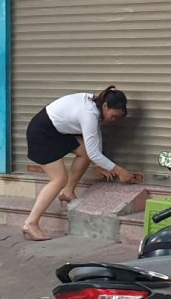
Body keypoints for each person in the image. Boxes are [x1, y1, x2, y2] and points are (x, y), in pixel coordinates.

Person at [21, 86, 132, 241]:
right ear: (106, 106)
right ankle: (30, 223)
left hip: (56, 131)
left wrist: (99, 164)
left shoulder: (96, 104)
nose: (113, 120)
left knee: (85, 153)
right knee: (59, 179)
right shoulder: (89, 113)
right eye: (113, 116)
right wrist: (120, 171)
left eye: (116, 118)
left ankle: (67, 192)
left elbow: (94, 138)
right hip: (42, 133)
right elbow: (94, 151)